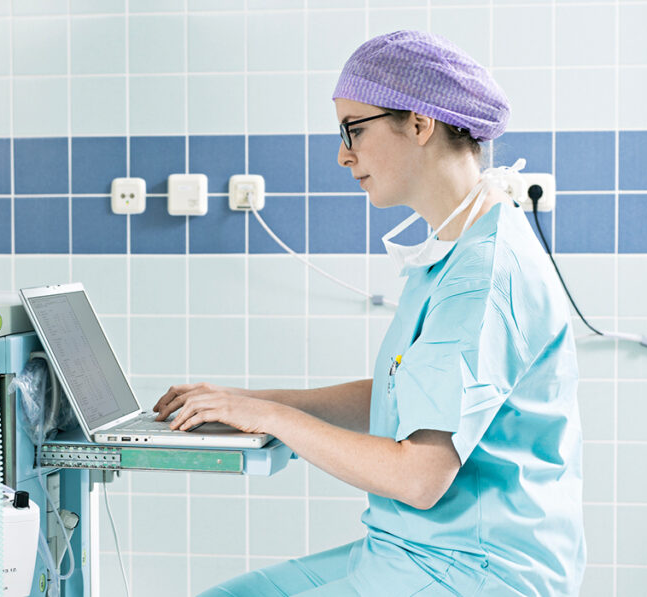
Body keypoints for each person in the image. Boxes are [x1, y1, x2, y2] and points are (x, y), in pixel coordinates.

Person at [153, 31, 585, 596]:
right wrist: (252, 403)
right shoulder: (455, 247)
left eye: (354, 129)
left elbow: (420, 475)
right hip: (413, 547)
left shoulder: (486, 272)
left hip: (478, 571)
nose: (342, 153)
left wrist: (273, 420)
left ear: (420, 123)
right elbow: (403, 393)